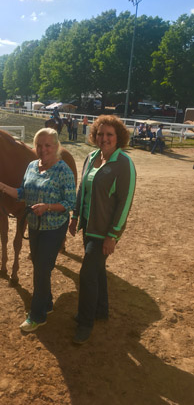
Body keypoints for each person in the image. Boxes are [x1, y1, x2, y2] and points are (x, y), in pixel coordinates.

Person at [0, 128, 76, 332]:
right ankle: (47, 303)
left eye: (48, 145)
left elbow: (70, 202)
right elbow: (22, 193)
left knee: (40, 270)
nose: (43, 149)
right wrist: (2, 186)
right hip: (36, 227)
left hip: (54, 227)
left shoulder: (64, 170)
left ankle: (37, 315)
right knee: (41, 266)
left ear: (56, 147)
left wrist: (48, 207)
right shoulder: (31, 166)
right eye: (39, 145)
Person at [69, 115, 136, 344]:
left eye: (109, 134)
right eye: (100, 133)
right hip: (88, 225)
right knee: (97, 270)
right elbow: (82, 190)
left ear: (118, 138)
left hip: (104, 231)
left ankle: (85, 323)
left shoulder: (123, 163)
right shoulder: (91, 157)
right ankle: (101, 310)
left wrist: (113, 235)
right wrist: (75, 216)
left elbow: (124, 202)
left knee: (87, 274)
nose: (104, 138)